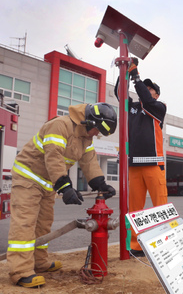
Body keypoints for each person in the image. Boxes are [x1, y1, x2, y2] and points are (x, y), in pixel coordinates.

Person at [7, 103, 117, 288]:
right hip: (28, 178)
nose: (96, 134)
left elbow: (89, 161)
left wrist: (100, 184)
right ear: (90, 121)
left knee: (44, 223)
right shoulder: (60, 125)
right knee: (25, 223)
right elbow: (54, 156)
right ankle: (20, 271)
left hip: (47, 183)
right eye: (97, 130)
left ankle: (39, 262)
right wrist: (65, 187)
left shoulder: (85, 138)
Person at [119, 59, 168, 258]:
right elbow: (120, 95)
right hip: (134, 165)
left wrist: (136, 76)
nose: (146, 90)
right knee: (134, 210)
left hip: (154, 164)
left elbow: (146, 101)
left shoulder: (158, 107)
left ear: (156, 94)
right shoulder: (131, 108)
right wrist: (123, 72)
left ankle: (164, 245)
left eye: (150, 89)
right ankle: (135, 247)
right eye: (144, 88)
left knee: (160, 207)